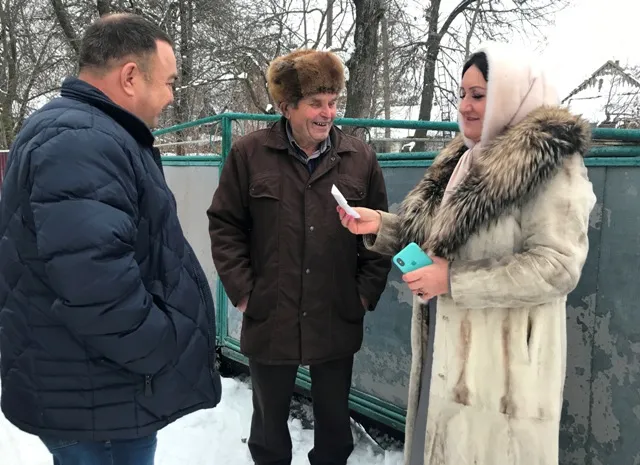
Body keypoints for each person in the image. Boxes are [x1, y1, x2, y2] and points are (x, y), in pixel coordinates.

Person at [338, 42, 596, 465]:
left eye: (478, 94)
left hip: (501, 374)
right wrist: (379, 225)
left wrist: (453, 280)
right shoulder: (463, 159)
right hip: (447, 354)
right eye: (462, 93)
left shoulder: (552, 167)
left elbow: (557, 267)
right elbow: (435, 238)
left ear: (511, 96)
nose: (465, 106)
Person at [0, 13, 221, 465]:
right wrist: (162, 344)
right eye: (168, 82)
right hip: (96, 400)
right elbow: (95, 284)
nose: (171, 96)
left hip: (94, 389)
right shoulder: (81, 141)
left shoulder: (85, 131)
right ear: (130, 76)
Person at [207, 49, 392, 465]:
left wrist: (362, 295)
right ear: (286, 105)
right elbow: (225, 225)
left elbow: (379, 233)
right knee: (268, 430)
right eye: (315, 103)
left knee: (334, 428)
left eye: (332, 102)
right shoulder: (250, 154)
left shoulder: (359, 158)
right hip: (271, 312)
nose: (328, 113)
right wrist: (245, 293)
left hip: (336, 313)